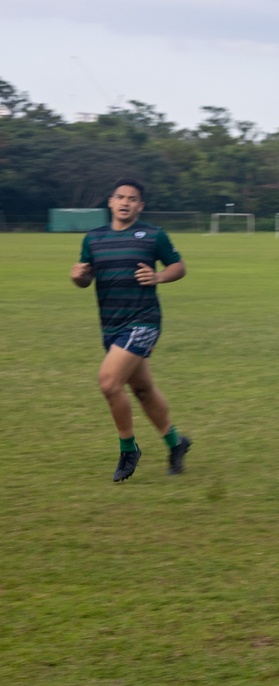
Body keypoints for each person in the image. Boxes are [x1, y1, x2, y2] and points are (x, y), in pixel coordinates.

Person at [70, 178, 191, 483]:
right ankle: (176, 443)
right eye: (120, 197)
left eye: (132, 199)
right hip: (111, 325)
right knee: (142, 390)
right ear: (110, 202)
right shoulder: (93, 239)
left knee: (109, 383)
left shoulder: (153, 235)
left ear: (140, 206)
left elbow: (179, 266)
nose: (125, 202)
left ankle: (128, 449)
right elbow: (85, 280)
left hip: (144, 321)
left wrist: (158, 276)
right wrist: (78, 276)